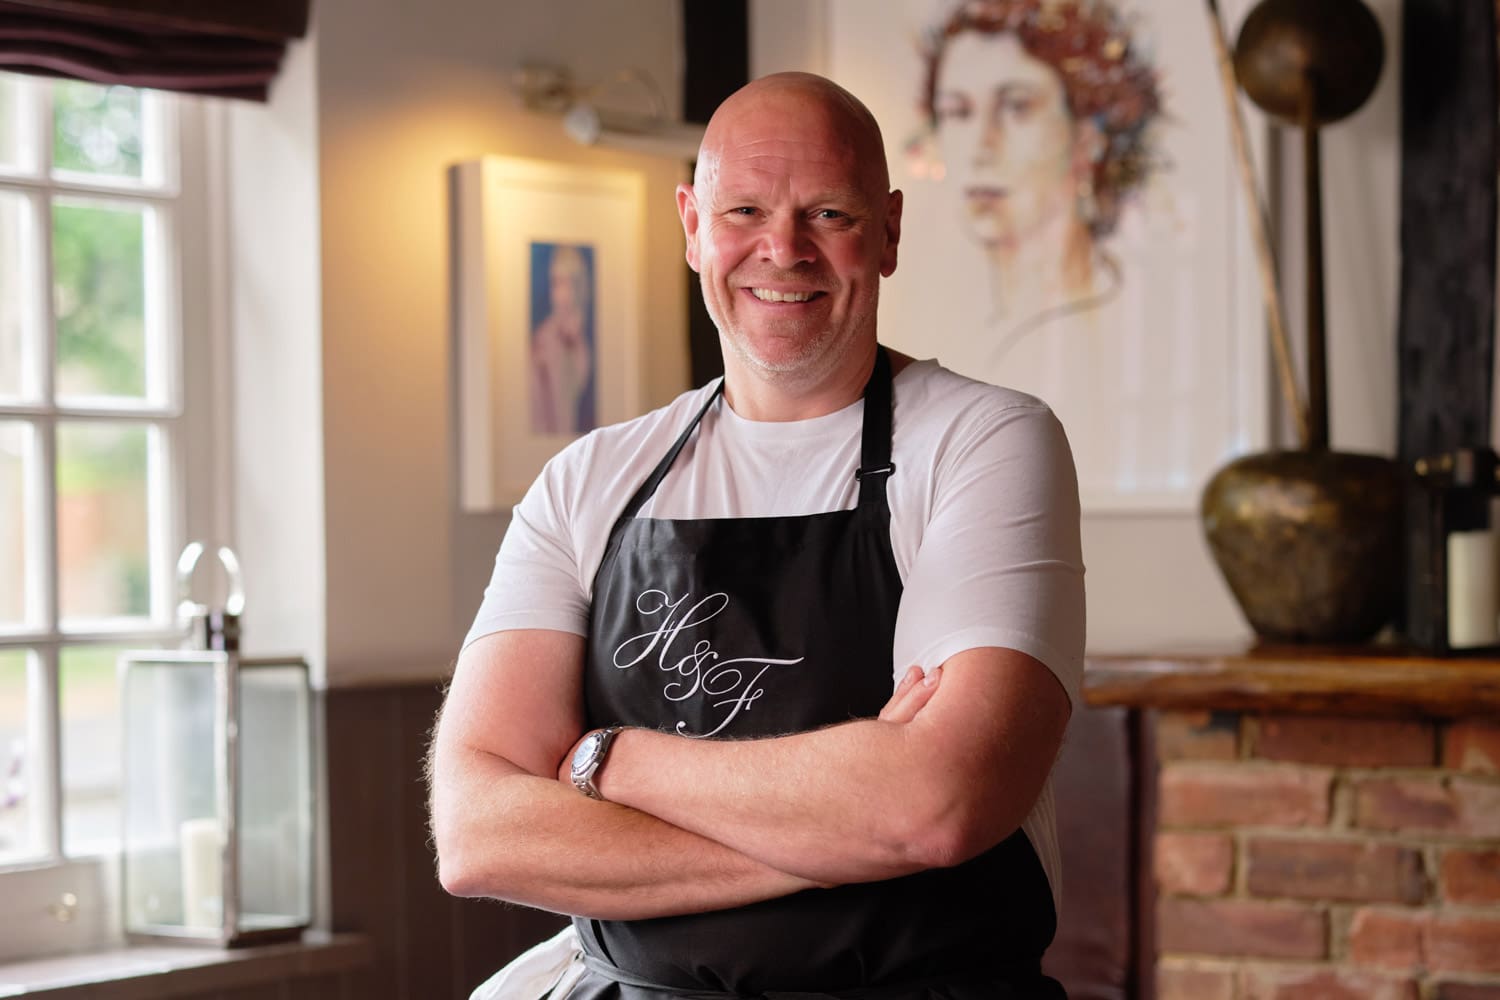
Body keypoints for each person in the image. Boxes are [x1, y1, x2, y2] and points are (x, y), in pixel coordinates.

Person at [429, 70, 1085, 999]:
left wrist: (609, 760)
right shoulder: (587, 481)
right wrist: (846, 829)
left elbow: (939, 804)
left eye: (829, 213)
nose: (783, 249)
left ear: (889, 231)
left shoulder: (986, 441)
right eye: (745, 210)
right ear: (692, 225)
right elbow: (476, 832)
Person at [913, 0, 1161, 358]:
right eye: (957, 112)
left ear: (1087, 135)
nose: (980, 147)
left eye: (1016, 107)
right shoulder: (949, 331)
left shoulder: (1117, 335)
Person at [530, 243, 595, 435]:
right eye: (558, 284)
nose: (565, 295)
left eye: (572, 283)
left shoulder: (583, 342)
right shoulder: (543, 346)